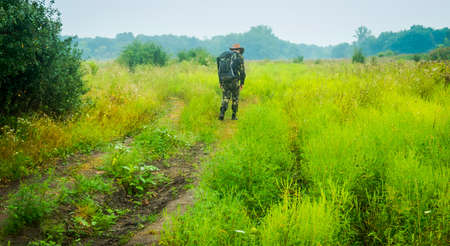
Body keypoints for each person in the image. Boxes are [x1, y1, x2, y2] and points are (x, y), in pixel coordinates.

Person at [217, 44, 246, 120]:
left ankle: (222, 113)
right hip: (234, 80)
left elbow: (219, 70)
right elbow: (242, 71)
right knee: (235, 98)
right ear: (239, 50)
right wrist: (242, 83)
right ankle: (234, 115)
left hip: (223, 79)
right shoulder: (239, 56)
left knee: (225, 97)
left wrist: (220, 81)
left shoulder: (223, 56)